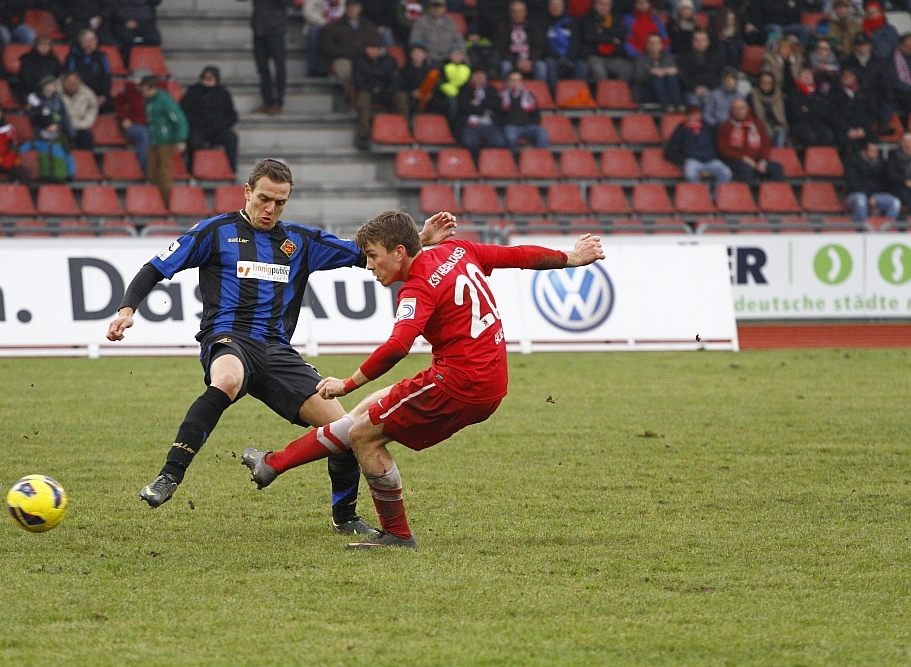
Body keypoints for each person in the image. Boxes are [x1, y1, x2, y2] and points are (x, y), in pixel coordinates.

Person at [104, 159, 456, 534]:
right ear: (247, 192)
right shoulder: (214, 232)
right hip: (228, 338)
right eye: (264, 199)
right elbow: (155, 268)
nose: (270, 209)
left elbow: (368, 252)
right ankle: (169, 476)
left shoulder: (300, 242)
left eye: (280, 202)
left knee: (345, 429)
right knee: (227, 380)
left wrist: (419, 239)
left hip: (276, 352)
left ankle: (345, 517)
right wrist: (127, 310)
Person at [240, 211, 606, 550]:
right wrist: (571, 257)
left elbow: (397, 346)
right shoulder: (458, 250)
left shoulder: (416, 289)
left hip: (458, 385)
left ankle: (396, 534)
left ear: (399, 252)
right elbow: (519, 255)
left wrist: (346, 383)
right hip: (484, 377)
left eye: (373, 256)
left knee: (363, 435)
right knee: (365, 412)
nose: (369, 265)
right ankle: (273, 463)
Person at [180, 66, 239, 174]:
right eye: (205, 78)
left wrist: (221, 125)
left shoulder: (223, 94)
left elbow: (232, 115)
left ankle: (231, 170)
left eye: (210, 79)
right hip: (198, 129)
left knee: (231, 138)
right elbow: (184, 111)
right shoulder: (193, 91)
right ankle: (192, 170)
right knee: (194, 142)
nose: (206, 81)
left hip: (217, 129)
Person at [139, 75, 187, 206]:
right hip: (154, 140)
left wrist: (181, 139)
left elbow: (179, 119)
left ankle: (167, 203)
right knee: (152, 172)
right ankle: (155, 202)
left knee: (164, 173)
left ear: (153, 88)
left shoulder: (164, 100)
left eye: (146, 90)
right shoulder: (148, 101)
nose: (143, 94)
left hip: (166, 141)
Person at [663, 104, 732, 191]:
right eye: (691, 114)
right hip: (693, 161)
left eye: (696, 114)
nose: (693, 116)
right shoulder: (681, 129)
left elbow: (716, 145)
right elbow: (670, 151)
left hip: (710, 160)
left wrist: (716, 156)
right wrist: (682, 161)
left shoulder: (707, 127)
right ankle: (701, 194)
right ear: (687, 116)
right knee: (690, 174)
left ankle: (716, 196)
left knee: (726, 172)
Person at [717, 97, 784, 185]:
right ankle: (748, 193)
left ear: (747, 109)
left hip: (757, 160)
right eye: (737, 109)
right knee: (746, 168)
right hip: (735, 161)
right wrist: (744, 158)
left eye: (742, 108)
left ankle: (779, 193)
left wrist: (762, 161)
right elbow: (724, 149)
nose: (740, 111)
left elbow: (765, 144)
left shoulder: (757, 124)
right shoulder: (726, 127)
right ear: (732, 110)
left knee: (777, 167)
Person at [319, 0, 379, 97]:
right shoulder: (334, 26)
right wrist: (345, 53)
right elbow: (327, 46)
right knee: (344, 69)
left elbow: (377, 44)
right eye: (349, 7)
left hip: (365, 58)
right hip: (343, 58)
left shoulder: (369, 26)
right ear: (345, 8)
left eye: (354, 7)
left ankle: (370, 95)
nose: (351, 9)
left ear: (360, 8)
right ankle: (353, 97)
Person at [353, 40, 407, 149]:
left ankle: (402, 129)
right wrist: (372, 88)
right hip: (368, 91)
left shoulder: (390, 61)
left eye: (374, 48)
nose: (371, 51)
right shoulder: (359, 61)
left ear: (380, 49)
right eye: (369, 48)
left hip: (387, 92)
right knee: (363, 98)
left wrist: (386, 90)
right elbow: (358, 82)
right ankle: (363, 134)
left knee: (401, 96)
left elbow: (396, 80)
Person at [453, 69, 505, 159]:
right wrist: (484, 109)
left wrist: (480, 103)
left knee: (498, 142)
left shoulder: (491, 89)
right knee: (469, 143)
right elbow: (463, 107)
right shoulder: (465, 89)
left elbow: (497, 105)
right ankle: (475, 163)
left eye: (482, 75)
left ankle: (487, 161)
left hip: (489, 124)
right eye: (477, 75)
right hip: (470, 124)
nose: (479, 78)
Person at [843, 31, 891, 126]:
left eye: (864, 45)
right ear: (855, 46)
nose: (862, 47)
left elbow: (884, 81)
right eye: (859, 45)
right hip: (856, 93)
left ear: (870, 45)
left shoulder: (879, 61)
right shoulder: (847, 61)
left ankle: (883, 124)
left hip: (875, 93)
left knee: (885, 100)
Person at [845, 141, 900, 224]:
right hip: (856, 194)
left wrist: (875, 196)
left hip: (876, 195)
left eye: (876, 151)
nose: (875, 153)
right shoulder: (852, 162)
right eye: (872, 151)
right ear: (863, 152)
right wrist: (869, 195)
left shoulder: (882, 163)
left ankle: (886, 229)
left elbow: (885, 182)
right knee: (861, 200)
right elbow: (852, 183)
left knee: (895, 202)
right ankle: (862, 229)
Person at [579, 0, 633, 83]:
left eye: (608, 5)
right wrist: (612, 39)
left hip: (612, 56)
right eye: (602, 4)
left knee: (628, 68)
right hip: (594, 55)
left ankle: (616, 89)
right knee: (599, 70)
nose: (605, 7)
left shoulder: (615, 18)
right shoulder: (587, 18)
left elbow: (621, 33)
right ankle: (605, 91)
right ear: (595, 5)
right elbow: (590, 37)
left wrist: (604, 30)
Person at [252, 0, 290, 114]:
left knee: (279, 67)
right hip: (259, 27)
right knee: (262, 67)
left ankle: (278, 102)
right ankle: (266, 101)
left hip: (276, 28)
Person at [499, 70, 548, 155]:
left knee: (542, 132)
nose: (516, 82)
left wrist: (531, 122)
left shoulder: (528, 95)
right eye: (513, 80)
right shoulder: (501, 96)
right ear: (508, 81)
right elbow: (498, 114)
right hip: (511, 127)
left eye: (518, 80)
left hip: (528, 126)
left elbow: (536, 113)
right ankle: (512, 160)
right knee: (510, 137)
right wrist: (506, 123)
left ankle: (541, 158)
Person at [827, 67, 878, 148]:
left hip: (862, 129)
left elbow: (872, 113)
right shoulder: (834, 93)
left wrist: (863, 128)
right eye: (844, 76)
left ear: (856, 78)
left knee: (873, 139)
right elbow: (832, 115)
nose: (846, 78)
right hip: (843, 130)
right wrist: (848, 129)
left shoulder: (866, 92)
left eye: (850, 76)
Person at [786, 66, 836, 146]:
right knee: (811, 137)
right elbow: (796, 113)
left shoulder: (818, 93)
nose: (807, 76)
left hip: (816, 123)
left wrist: (808, 109)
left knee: (828, 135)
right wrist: (813, 110)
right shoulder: (794, 93)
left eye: (809, 74)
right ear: (798, 77)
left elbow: (824, 112)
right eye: (804, 74)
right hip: (799, 124)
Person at [66, 29, 113, 113]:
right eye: (92, 39)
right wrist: (88, 97)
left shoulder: (101, 56)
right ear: (83, 42)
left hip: (99, 95)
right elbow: (72, 79)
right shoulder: (72, 58)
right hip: (81, 96)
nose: (96, 41)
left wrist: (103, 95)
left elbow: (106, 77)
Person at [19, 110, 74, 182]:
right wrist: (19, 151)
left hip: (60, 175)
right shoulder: (39, 138)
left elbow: (68, 156)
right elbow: (28, 146)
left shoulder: (62, 138)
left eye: (56, 124)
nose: (55, 127)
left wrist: (71, 173)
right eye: (53, 124)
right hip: (45, 175)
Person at [545, 0, 589, 89]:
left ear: (564, 7)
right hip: (552, 57)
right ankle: (555, 94)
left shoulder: (572, 22)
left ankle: (577, 93)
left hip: (570, 57)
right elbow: (544, 44)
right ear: (549, 7)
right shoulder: (544, 22)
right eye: (553, 5)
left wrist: (569, 58)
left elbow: (576, 42)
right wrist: (558, 57)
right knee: (550, 64)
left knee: (582, 65)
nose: (555, 8)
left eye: (558, 5)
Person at [633, 32, 682, 111]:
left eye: (656, 43)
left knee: (672, 77)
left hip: (667, 89)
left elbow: (679, 74)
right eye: (651, 43)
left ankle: (677, 105)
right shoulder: (640, 59)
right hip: (647, 92)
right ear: (647, 44)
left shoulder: (668, 58)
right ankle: (667, 106)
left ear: (661, 45)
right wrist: (651, 72)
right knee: (657, 79)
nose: (654, 45)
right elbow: (638, 78)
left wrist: (673, 71)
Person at [409, 0, 464, 67]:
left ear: (444, 8)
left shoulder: (450, 23)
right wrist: (421, 52)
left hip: (448, 59)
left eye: (439, 6)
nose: (437, 9)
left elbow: (458, 41)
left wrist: (456, 52)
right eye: (434, 6)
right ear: (430, 8)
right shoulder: (421, 22)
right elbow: (415, 40)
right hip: (428, 60)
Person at [400, 41, 448, 117]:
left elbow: (438, 87)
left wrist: (432, 94)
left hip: (430, 100)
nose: (417, 55)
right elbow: (401, 87)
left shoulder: (432, 70)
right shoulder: (404, 71)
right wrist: (412, 93)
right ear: (411, 55)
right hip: (412, 100)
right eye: (415, 53)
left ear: (425, 55)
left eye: (420, 53)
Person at [115, 68, 151, 171]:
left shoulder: (156, 92)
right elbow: (118, 104)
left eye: (138, 85)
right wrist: (124, 118)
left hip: (151, 125)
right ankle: (145, 169)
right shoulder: (129, 89)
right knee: (144, 135)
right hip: (134, 125)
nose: (136, 87)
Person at [679, 30, 725, 107]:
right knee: (693, 102)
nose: (699, 43)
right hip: (692, 90)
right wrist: (695, 88)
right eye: (697, 40)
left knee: (716, 100)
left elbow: (721, 75)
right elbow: (683, 77)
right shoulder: (684, 57)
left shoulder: (717, 56)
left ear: (708, 42)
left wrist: (708, 88)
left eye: (703, 40)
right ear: (692, 42)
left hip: (712, 89)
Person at [742, 0, 814, 47]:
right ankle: (777, 54)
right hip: (768, 27)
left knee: (805, 29)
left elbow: (796, 15)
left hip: (787, 27)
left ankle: (797, 54)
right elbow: (756, 13)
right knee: (776, 29)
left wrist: (791, 6)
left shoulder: (792, 2)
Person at [58, 70, 97, 151]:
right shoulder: (54, 92)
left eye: (75, 83)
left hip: (80, 126)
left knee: (86, 137)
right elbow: (52, 112)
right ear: (63, 81)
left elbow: (92, 109)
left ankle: (85, 158)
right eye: (70, 83)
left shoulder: (87, 93)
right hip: (60, 128)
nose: (72, 86)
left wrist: (83, 124)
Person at [303, 0, 344, 76]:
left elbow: (344, 12)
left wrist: (335, 24)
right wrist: (325, 22)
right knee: (315, 30)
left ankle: (336, 68)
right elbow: (308, 13)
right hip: (319, 24)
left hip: (338, 25)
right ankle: (313, 68)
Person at [27, 75, 74, 141]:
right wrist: (45, 127)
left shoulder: (57, 100)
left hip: (57, 132)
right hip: (40, 132)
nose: (52, 87)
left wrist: (57, 125)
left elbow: (58, 115)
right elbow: (35, 117)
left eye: (53, 85)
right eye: (49, 85)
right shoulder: (35, 100)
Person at [51, 0, 116, 45]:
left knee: (108, 43)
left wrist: (102, 16)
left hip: (97, 21)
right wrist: (64, 17)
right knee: (79, 43)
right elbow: (54, 4)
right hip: (74, 21)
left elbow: (108, 4)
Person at [750, 71, 788, 147]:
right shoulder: (753, 96)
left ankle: (777, 153)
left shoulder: (779, 95)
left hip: (778, 126)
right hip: (761, 126)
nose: (766, 85)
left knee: (781, 134)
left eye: (769, 83)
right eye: (764, 82)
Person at [887, 131, 911, 215]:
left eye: (910, 141)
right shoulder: (893, 155)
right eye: (905, 141)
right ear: (901, 142)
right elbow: (891, 174)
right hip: (899, 186)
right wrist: (905, 181)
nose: (908, 144)